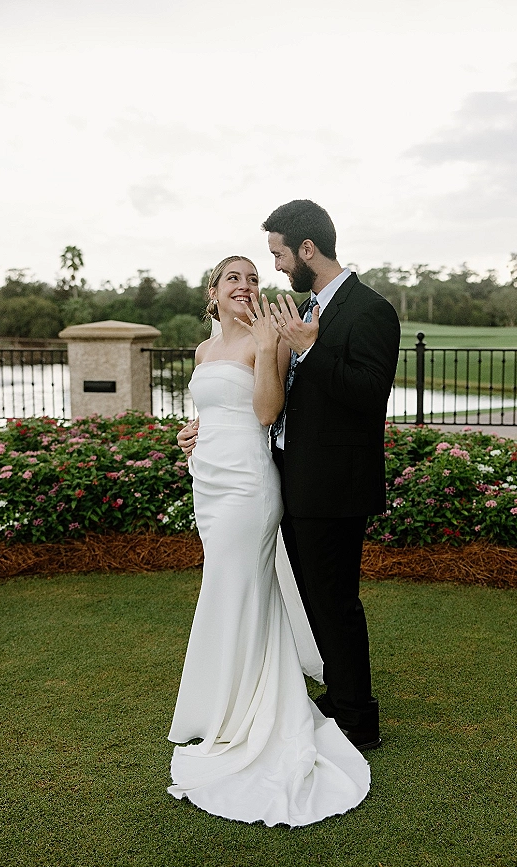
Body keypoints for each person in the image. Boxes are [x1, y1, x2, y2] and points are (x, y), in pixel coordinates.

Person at [167, 255, 370, 827]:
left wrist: (265, 347)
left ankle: (246, 711)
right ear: (213, 293)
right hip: (209, 478)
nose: (246, 285)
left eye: (254, 278)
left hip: (250, 484)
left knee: (236, 586)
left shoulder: (270, 339)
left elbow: (264, 411)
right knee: (223, 584)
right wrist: (192, 433)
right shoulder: (205, 351)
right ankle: (222, 700)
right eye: (234, 277)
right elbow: (213, 409)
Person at [262, 200, 401, 751]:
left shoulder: (370, 310)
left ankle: (360, 720)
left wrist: (310, 349)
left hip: (335, 485)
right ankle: (342, 694)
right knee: (317, 599)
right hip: (298, 478)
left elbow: (369, 397)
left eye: (278, 254)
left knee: (337, 601)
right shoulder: (307, 309)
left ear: (307, 249)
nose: (276, 266)